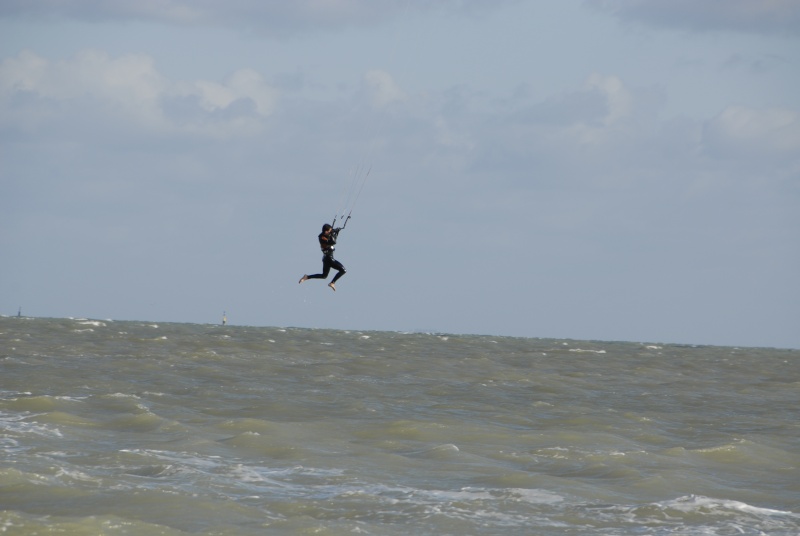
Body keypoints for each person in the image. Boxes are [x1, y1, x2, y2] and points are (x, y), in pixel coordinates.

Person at [299, 223, 346, 291]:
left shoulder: (326, 236)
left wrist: (336, 232)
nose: (331, 232)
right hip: (329, 259)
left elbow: (333, 240)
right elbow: (333, 242)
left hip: (326, 259)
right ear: (326, 231)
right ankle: (332, 283)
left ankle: (307, 277)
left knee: (324, 276)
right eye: (330, 231)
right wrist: (333, 233)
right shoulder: (322, 238)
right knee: (343, 270)